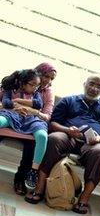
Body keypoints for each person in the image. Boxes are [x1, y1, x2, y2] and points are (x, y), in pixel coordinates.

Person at [26, 75, 100, 214]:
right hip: (68, 136)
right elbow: (53, 122)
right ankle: (39, 187)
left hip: (92, 143)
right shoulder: (69, 100)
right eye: (91, 84)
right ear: (84, 84)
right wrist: (66, 130)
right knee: (54, 139)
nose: (94, 88)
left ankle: (84, 198)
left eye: (99, 86)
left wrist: (99, 139)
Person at [1, 69, 50, 195]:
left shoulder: (38, 92)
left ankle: (32, 172)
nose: (35, 87)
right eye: (32, 84)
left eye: (37, 85)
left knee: (41, 137)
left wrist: (18, 102)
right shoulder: (11, 88)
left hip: (30, 120)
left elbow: (38, 104)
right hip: (12, 116)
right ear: (23, 83)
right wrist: (17, 107)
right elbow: (5, 103)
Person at [12, 62, 56, 195]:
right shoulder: (19, 81)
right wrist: (13, 108)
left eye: (51, 78)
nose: (47, 80)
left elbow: (47, 116)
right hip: (11, 117)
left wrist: (32, 111)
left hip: (32, 123)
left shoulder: (48, 92)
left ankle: (20, 179)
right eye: (45, 75)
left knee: (33, 143)